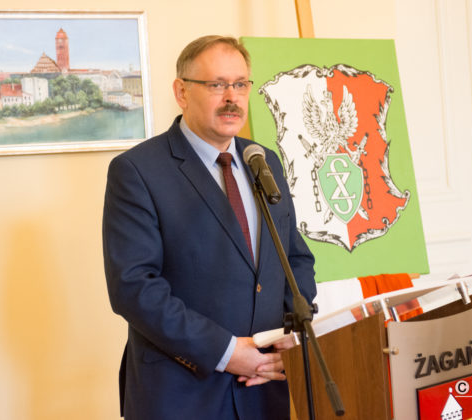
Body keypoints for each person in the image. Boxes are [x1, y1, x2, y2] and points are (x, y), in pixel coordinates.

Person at [103, 35, 317, 420]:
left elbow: (294, 258)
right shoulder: (137, 171)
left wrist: (290, 335)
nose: (232, 97)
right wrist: (227, 353)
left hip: (264, 385)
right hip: (181, 392)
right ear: (181, 92)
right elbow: (133, 287)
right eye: (217, 85)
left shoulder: (263, 160)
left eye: (240, 84)